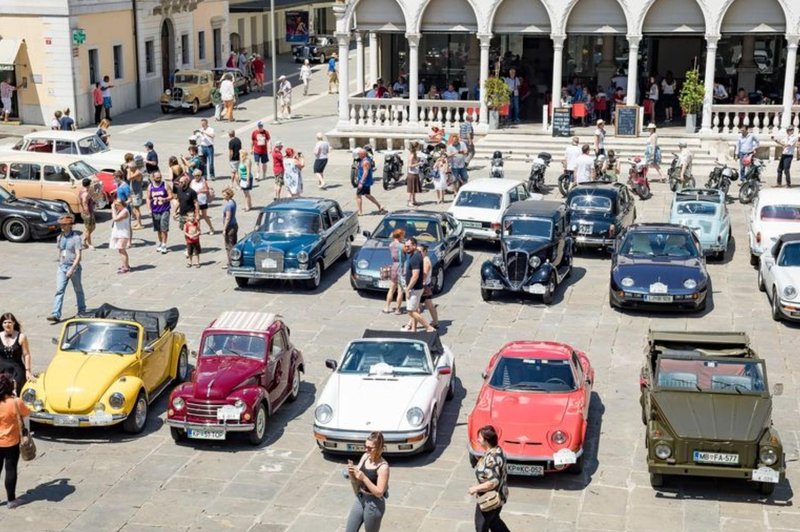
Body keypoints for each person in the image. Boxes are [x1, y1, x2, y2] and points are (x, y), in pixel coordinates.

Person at [345, 432, 389, 532]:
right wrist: (352, 471)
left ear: (379, 448)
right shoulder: (365, 456)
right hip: (360, 498)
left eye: (370, 448)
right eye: (365, 446)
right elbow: (357, 475)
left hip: (374, 504)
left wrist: (364, 478)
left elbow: (379, 492)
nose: (366, 449)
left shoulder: (383, 467)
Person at [469, 425, 510, 532]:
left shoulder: (493, 457)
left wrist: (476, 488)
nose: (478, 439)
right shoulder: (497, 450)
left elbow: (493, 482)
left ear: (486, 441)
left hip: (489, 498)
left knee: (481, 526)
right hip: (499, 495)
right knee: (494, 522)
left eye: (480, 438)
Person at [48, 215, 86, 322]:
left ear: (70, 225)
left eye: (64, 225)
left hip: (74, 268)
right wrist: (60, 262)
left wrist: (72, 268)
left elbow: (79, 256)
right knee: (59, 290)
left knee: (78, 290)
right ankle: (56, 314)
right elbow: (60, 251)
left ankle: (82, 310)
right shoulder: (59, 237)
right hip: (62, 267)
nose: (62, 227)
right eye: (61, 224)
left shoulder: (76, 238)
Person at [0, 373, 30, 509]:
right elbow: (26, 412)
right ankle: (11, 500)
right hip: (11, 442)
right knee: (10, 468)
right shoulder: (15, 402)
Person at [402, 238, 435, 332]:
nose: (406, 248)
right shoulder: (415, 256)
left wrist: (408, 289)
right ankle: (413, 329)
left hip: (414, 289)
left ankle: (428, 327)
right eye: (405, 246)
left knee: (411, 311)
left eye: (408, 246)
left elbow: (415, 276)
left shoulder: (416, 258)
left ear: (414, 246)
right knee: (415, 309)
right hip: (416, 288)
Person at [0, 314, 32, 396]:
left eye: (10, 322)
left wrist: (28, 371)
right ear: (2, 324)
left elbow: (26, 354)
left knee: (17, 390)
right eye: (5, 322)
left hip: (16, 369)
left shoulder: (21, 337)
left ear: (14, 323)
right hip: (1, 369)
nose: (7, 325)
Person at [148, 171, 173, 254]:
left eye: (160, 177)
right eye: (157, 178)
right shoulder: (150, 186)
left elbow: (171, 196)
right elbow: (148, 198)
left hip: (165, 209)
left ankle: (164, 244)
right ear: (153, 178)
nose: (159, 179)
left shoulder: (165, 185)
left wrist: (165, 199)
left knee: (164, 228)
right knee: (158, 229)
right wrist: (149, 208)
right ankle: (160, 242)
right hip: (155, 210)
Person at [355, 148, 386, 216]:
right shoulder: (365, 160)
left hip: (364, 182)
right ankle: (380, 206)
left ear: (363, 154)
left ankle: (360, 212)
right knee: (367, 195)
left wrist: (361, 182)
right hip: (366, 182)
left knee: (358, 196)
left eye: (359, 154)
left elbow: (365, 172)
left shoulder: (365, 162)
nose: (358, 155)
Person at [382, 228, 406, 315]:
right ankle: (397, 309)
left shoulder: (391, 244)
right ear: (400, 236)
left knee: (391, 289)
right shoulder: (401, 245)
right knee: (400, 290)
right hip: (401, 266)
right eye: (403, 235)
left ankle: (387, 307)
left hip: (394, 266)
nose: (404, 237)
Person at [418, 243, 439, 328]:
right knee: (429, 305)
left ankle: (411, 325)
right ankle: (435, 322)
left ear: (425, 251)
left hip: (424, 286)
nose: (418, 253)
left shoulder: (426, 261)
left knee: (415, 308)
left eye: (420, 251)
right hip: (426, 285)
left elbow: (424, 274)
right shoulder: (424, 259)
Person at [190, 169, 215, 234]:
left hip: (202, 201)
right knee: (197, 216)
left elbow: (207, 190)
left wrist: (200, 191)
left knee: (205, 216)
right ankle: (198, 230)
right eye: (195, 175)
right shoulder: (192, 181)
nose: (197, 177)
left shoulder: (203, 181)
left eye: (198, 175)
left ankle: (211, 227)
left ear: (200, 175)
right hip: (195, 201)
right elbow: (190, 190)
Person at [109, 199, 131, 274]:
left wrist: (112, 209)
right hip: (119, 233)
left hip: (123, 234)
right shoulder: (120, 210)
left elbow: (115, 219)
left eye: (117, 205)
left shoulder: (125, 211)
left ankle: (126, 267)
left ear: (122, 204)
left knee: (122, 250)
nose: (116, 206)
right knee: (120, 250)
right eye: (115, 205)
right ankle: (125, 265)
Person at [78, 178, 96, 250]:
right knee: (88, 229)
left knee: (93, 227)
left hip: (88, 212)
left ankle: (83, 240)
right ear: (89, 184)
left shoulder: (83, 191)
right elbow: (84, 204)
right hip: (87, 213)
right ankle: (89, 244)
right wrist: (88, 213)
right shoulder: (85, 194)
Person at [221, 187, 238, 267]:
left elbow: (228, 217)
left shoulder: (228, 205)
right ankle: (235, 260)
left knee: (229, 245)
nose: (223, 196)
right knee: (234, 244)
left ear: (228, 195)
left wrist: (224, 229)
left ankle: (230, 263)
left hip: (230, 227)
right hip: (234, 225)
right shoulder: (233, 202)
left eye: (224, 195)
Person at [126, 160, 144, 230]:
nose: (129, 169)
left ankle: (140, 224)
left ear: (133, 167)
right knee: (135, 208)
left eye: (130, 168)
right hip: (133, 192)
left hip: (137, 193)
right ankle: (138, 222)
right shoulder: (132, 171)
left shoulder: (138, 172)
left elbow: (129, 178)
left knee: (137, 209)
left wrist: (128, 171)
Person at [406, 142, 422, 208]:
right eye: (418, 147)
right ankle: (409, 201)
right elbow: (409, 165)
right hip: (412, 174)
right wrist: (418, 164)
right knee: (410, 189)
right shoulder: (412, 155)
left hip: (415, 173)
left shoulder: (415, 154)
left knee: (414, 188)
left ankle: (413, 200)